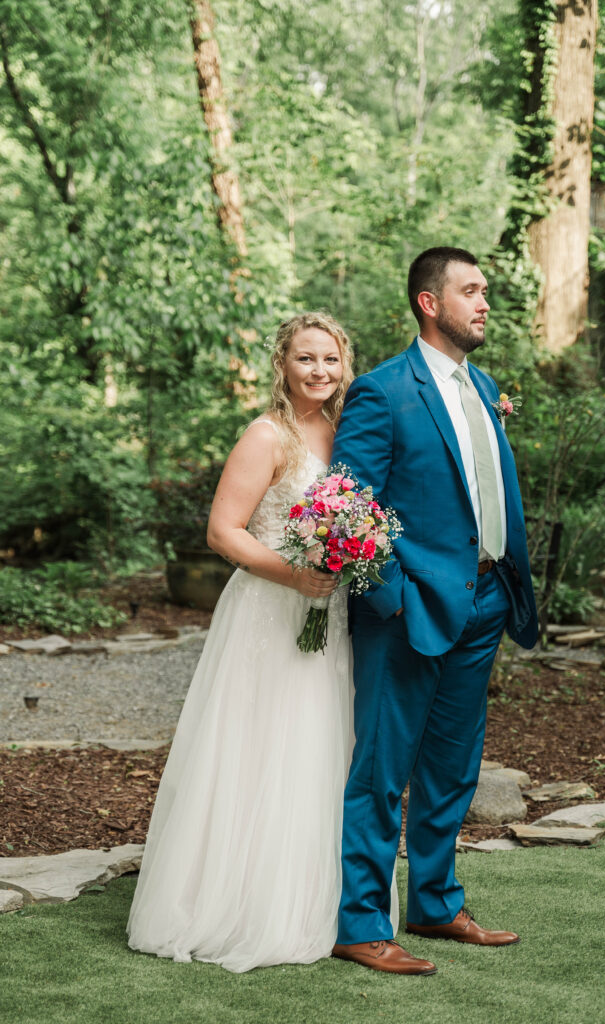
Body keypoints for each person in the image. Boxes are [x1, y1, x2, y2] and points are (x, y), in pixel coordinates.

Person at [330, 246, 539, 976]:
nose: (485, 303)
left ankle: (435, 902)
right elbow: (345, 507)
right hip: (406, 611)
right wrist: (391, 598)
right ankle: (359, 922)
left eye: (485, 292)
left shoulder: (482, 387)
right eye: (471, 291)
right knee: (381, 771)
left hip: (483, 603)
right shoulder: (383, 392)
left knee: (452, 767)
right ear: (429, 301)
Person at [127, 312, 357, 973]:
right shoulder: (266, 434)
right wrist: (296, 574)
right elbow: (223, 531)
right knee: (260, 747)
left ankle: (307, 900)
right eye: (306, 359)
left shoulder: (344, 432)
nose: (320, 371)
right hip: (270, 610)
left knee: (315, 746)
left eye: (331, 360)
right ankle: (233, 902)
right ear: (282, 364)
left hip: (326, 613)